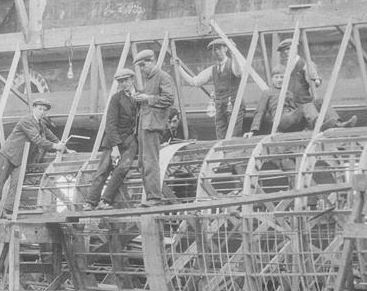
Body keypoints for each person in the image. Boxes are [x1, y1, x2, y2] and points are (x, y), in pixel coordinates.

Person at [81, 69, 140, 213]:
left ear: (132, 79)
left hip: (131, 140)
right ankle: (90, 202)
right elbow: (110, 124)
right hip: (114, 139)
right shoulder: (116, 99)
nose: (123, 84)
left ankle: (105, 200)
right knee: (103, 169)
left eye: (126, 80)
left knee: (122, 168)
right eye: (121, 82)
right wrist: (114, 148)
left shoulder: (140, 96)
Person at [0, 98, 58, 216]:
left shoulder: (40, 124)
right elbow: (37, 139)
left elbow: (51, 136)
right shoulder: (26, 120)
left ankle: (8, 211)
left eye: (44, 110)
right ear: (34, 108)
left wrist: (65, 147)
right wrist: (55, 146)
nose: (42, 112)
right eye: (40, 109)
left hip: (21, 159)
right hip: (8, 155)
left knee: (16, 185)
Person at [129, 49, 180, 199]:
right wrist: (140, 98)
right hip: (144, 125)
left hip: (153, 125)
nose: (142, 70)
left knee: (150, 162)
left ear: (152, 61)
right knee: (143, 164)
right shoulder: (149, 79)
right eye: (140, 67)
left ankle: (154, 198)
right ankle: (151, 197)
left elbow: (169, 99)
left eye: (143, 65)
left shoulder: (164, 77)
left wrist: (147, 98)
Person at [256, 38, 321, 134]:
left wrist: (316, 80)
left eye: (288, 49)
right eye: (283, 50)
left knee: (321, 102)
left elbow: (314, 80)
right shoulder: (285, 67)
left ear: (295, 48)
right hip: (292, 109)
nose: (286, 52)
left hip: (304, 104)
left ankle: (335, 123)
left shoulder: (306, 64)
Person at [186, 37, 247, 139]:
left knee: (234, 136)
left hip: (234, 105)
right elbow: (195, 82)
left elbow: (238, 72)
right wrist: (178, 67)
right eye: (214, 49)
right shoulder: (212, 69)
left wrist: (234, 53)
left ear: (226, 49)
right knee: (220, 137)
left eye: (219, 48)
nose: (217, 51)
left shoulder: (234, 63)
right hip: (219, 107)